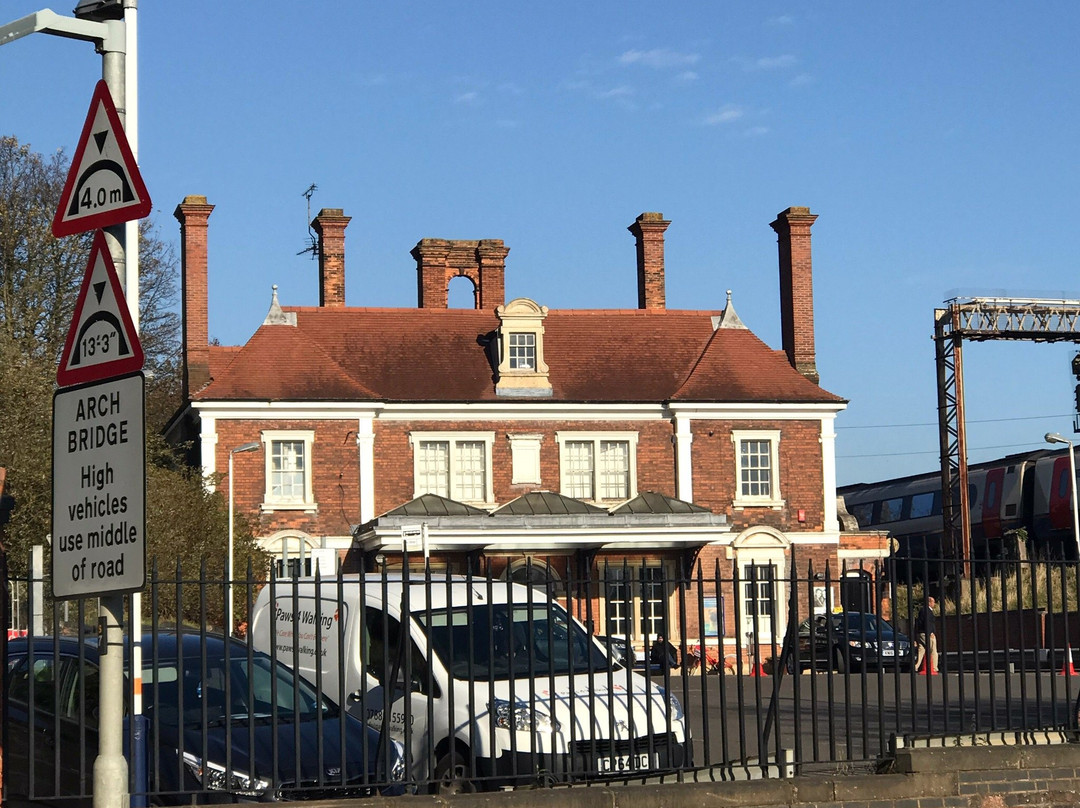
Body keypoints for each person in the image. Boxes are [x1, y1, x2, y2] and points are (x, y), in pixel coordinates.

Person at [913, 595, 938, 673]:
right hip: (926, 633)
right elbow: (928, 623)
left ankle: (915, 666)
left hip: (920, 633)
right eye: (933, 602)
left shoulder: (922, 610)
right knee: (933, 650)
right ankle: (934, 668)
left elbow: (918, 623)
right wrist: (930, 632)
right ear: (929, 602)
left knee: (921, 650)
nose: (934, 603)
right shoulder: (927, 611)